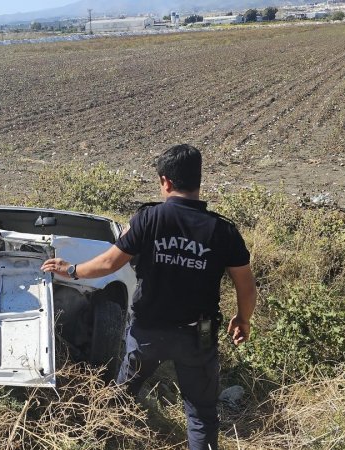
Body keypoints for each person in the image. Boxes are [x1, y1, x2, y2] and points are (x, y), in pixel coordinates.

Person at [40, 144, 256, 450]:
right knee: (201, 415)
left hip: (147, 332)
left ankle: (104, 442)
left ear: (165, 181)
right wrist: (242, 319)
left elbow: (109, 263)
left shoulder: (149, 218)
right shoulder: (223, 231)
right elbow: (246, 287)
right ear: (198, 180)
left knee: (121, 399)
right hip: (199, 335)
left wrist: (71, 269)